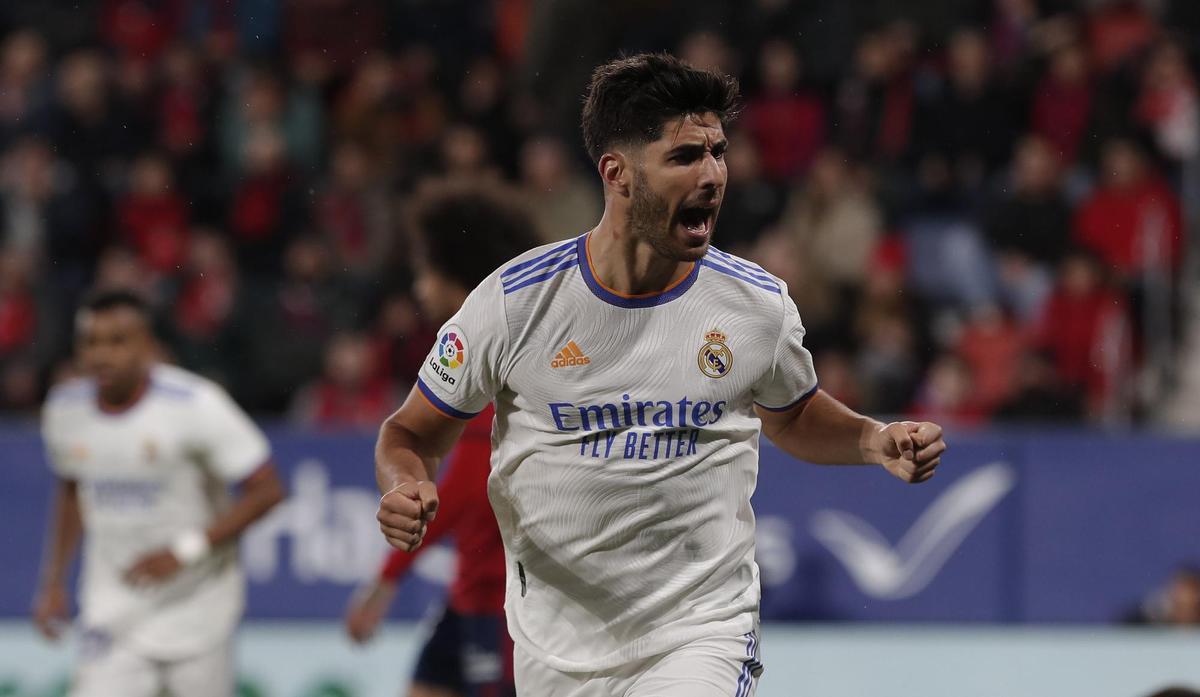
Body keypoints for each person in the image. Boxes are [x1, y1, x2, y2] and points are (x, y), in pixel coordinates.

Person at [375, 53, 947, 697]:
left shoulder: (755, 307)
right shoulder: (514, 305)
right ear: (616, 174)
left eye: (718, 153)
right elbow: (409, 433)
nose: (713, 176)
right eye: (684, 157)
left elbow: (793, 412)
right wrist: (403, 485)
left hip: (701, 632)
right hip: (553, 649)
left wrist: (874, 441)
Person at [32, 289, 285, 697]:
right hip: (112, 607)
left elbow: (268, 490)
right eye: (92, 342)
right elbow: (71, 489)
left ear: (147, 346)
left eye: (118, 341)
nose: (102, 355)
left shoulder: (197, 405)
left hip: (199, 609)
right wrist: (54, 582)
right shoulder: (65, 410)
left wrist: (183, 552)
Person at [346, 183, 539, 697]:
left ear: (456, 274)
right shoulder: (468, 363)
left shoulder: (498, 373)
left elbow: (463, 496)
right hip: (469, 598)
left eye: (423, 271)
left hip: (503, 606)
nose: (417, 288)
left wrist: (387, 577)